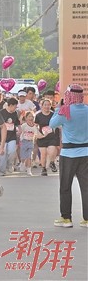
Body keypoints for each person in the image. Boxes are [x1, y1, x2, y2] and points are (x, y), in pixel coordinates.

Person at [50, 84, 87, 228]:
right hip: (86, 153)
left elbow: (52, 124)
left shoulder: (65, 111)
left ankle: (66, 218)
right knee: (86, 187)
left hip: (68, 154)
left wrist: (59, 108)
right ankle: (87, 219)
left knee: (65, 186)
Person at [0, 98, 20, 175]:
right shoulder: (1, 112)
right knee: (2, 153)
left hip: (12, 136)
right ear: (10, 105)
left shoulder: (15, 113)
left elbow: (17, 123)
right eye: (15, 106)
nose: (15, 108)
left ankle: (9, 165)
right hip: (2, 136)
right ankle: (2, 170)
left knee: (12, 151)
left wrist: (20, 130)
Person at [18, 111, 40, 176]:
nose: (31, 118)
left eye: (32, 117)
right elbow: (20, 132)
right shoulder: (24, 125)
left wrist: (41, 136)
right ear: (26, 118)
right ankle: (22, 163)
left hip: (30, 142)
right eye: (29, 116)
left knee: (29, 156)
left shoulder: (35, 126)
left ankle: (29, 170)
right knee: (23, 156)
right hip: (24, 141)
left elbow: (36, 134)